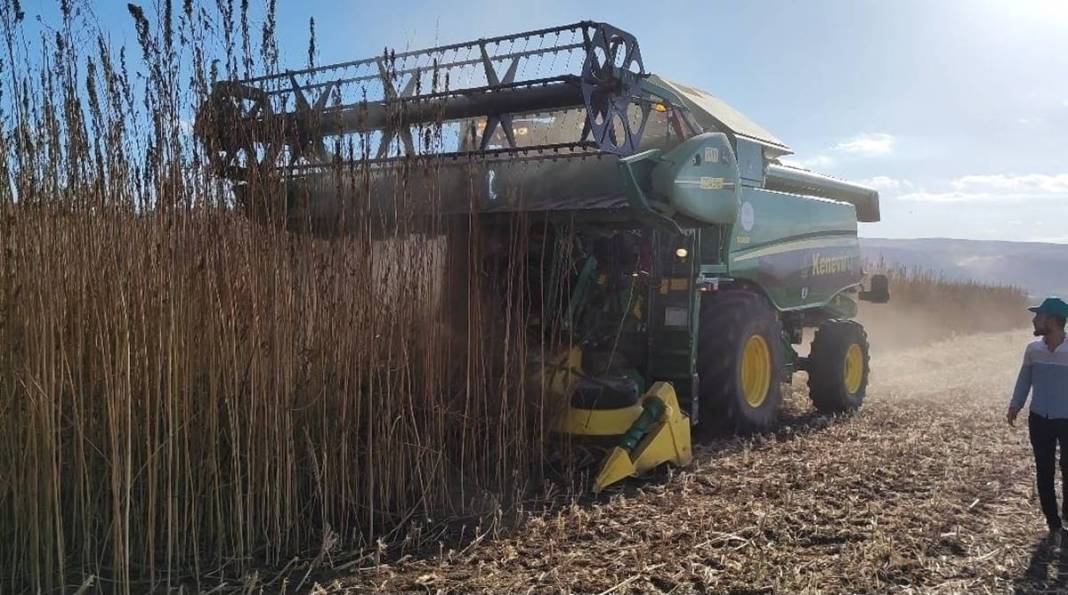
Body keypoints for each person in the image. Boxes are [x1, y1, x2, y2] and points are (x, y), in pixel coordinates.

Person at [1007, 297, 1068, 535]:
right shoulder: (1033, 350)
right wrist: (1016, 404)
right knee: (1044, 471)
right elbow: (1025, 379)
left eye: (1039, 316)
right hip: (1039, 418)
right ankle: (1053, 524)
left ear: (1052, 320)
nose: (1034, 320)